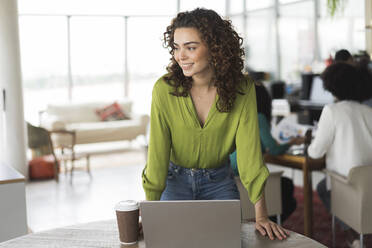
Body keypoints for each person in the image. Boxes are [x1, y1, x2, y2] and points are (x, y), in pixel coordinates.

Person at [142, 8, 288, 240]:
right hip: (175, 182)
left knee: (227, 243)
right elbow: (157, 155)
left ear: (216, 48)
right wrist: (149, 212)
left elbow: (249, 154)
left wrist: (261, 215)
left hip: (218, 183)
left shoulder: (243, 89)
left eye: (190, 47)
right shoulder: (164, 89)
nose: (181, 56)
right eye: (177, 47)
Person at [308, 62, 372, 226]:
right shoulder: (368, 111)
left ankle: (351, 231)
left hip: (347, 183)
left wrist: (309, 144)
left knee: (323, 187)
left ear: (332, 87)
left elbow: (315, 153)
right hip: (368, 181)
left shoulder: (331, 110)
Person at [229, 83, 303, 223]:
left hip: (232, 178)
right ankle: (272, 221)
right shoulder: (258, 117)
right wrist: (292, 142)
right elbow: (274, 150)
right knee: (288, 188)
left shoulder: (236, 114)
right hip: (246, 177)